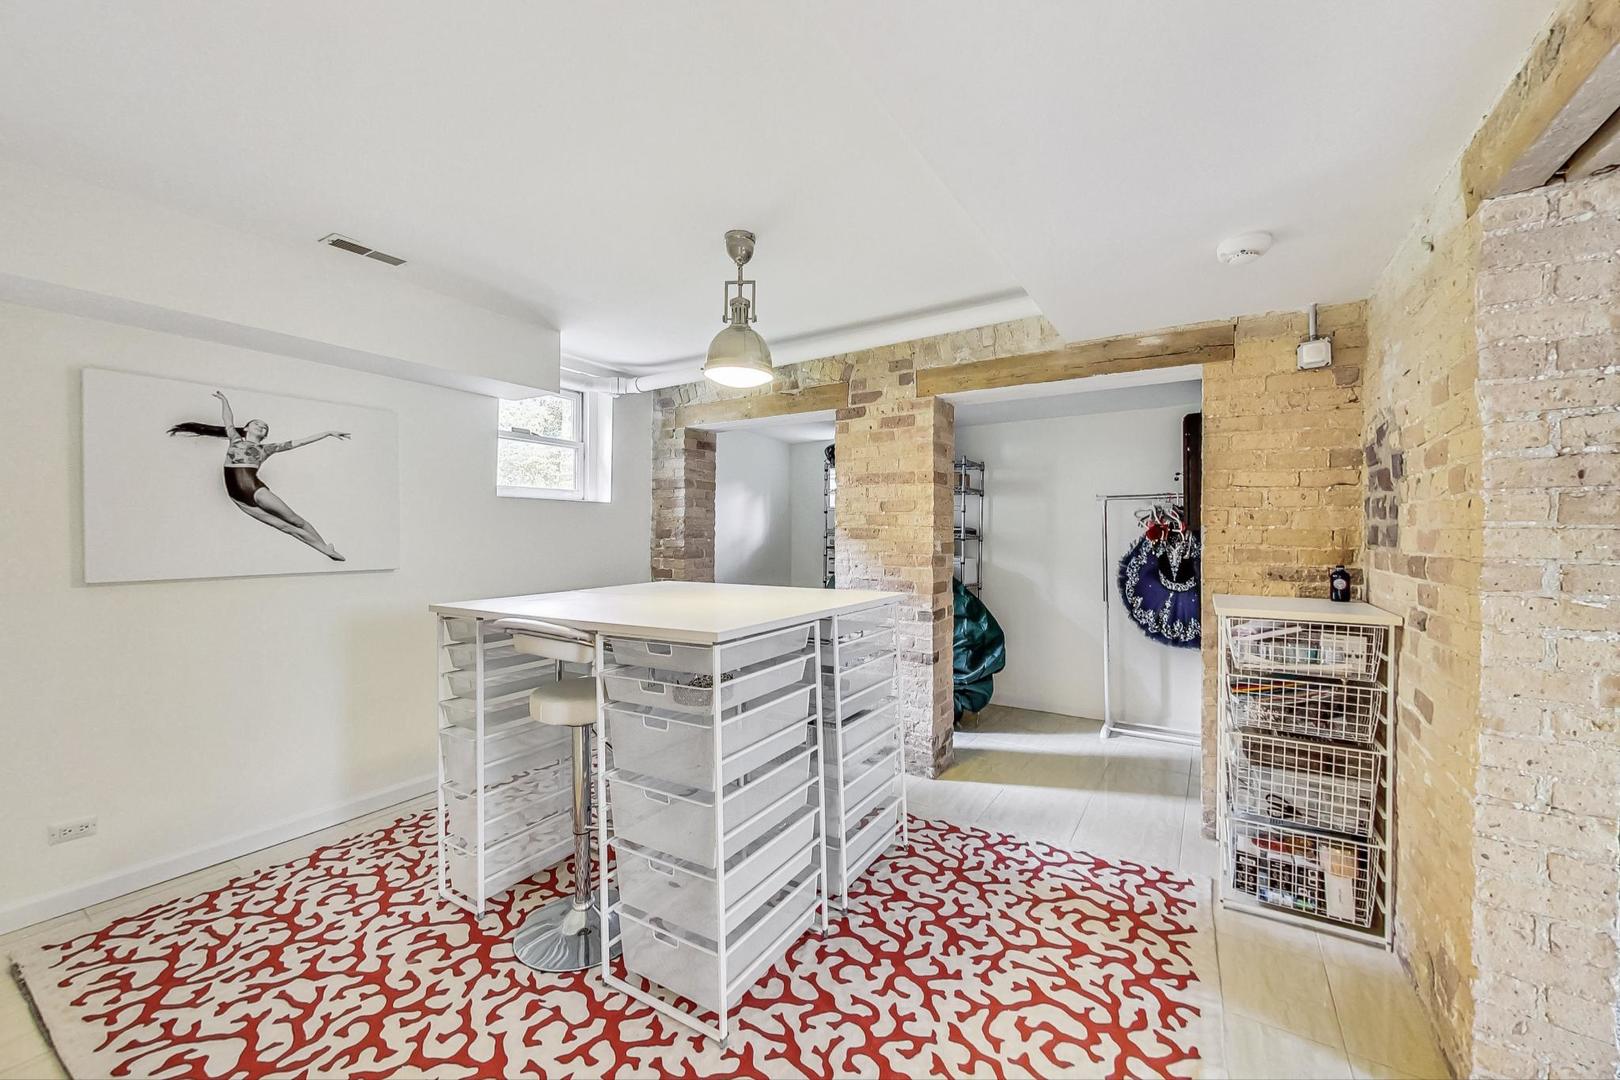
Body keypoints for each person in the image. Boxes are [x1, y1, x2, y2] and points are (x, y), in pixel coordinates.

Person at [168, 390, 349, 561]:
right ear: (246, 428)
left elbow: (299, 443)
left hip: (255, 490)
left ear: (264, 435)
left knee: (294, 521)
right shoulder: (235, 439)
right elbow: (228, 420)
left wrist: (327, 433)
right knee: (285, 527)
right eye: (257, 424)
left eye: (264, 427)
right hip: (237, 498)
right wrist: (224, 401)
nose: (261, 427)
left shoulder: (266, 449)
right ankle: (325, 550)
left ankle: (325, 548)